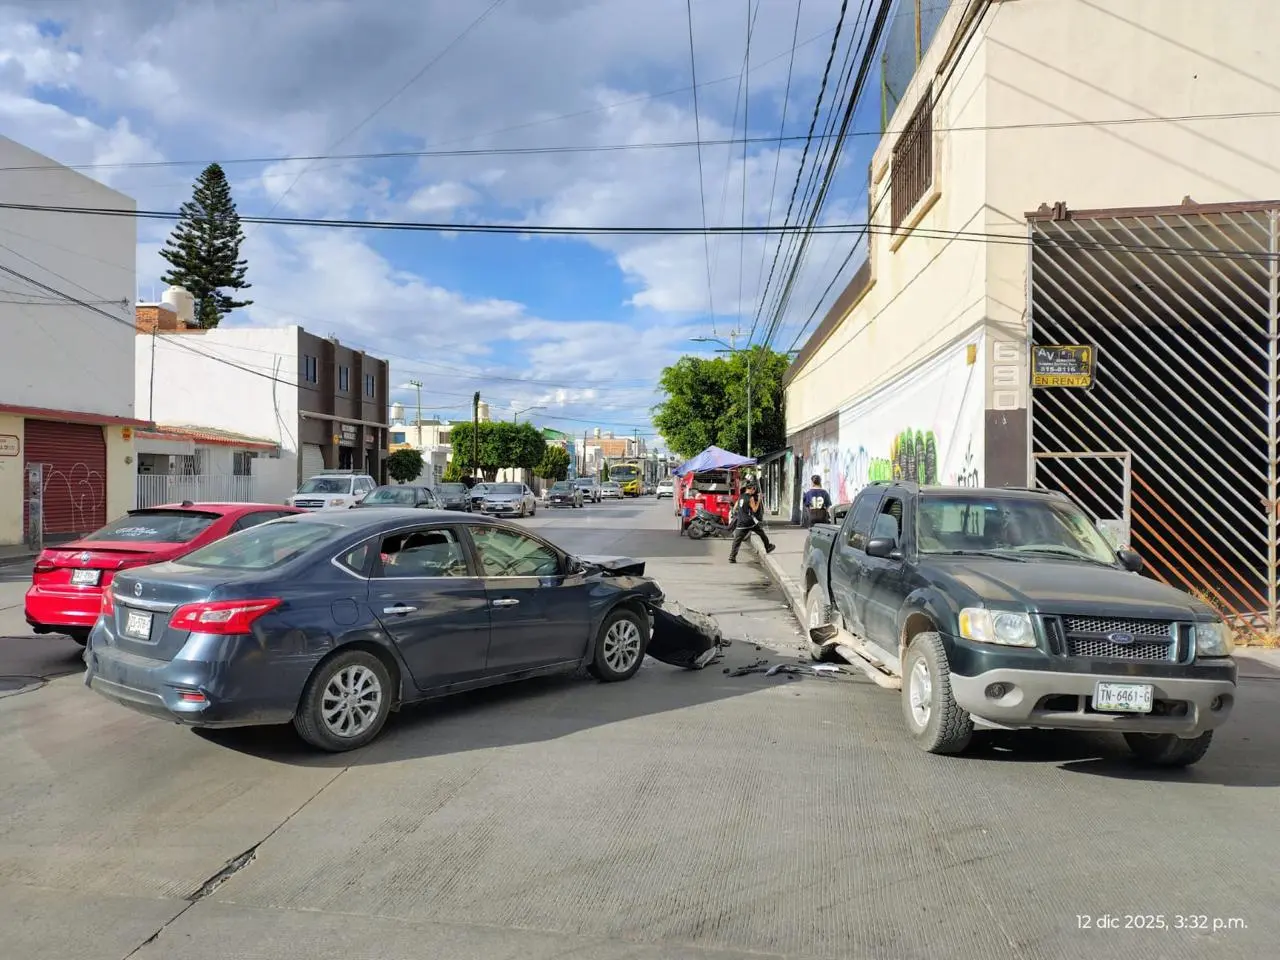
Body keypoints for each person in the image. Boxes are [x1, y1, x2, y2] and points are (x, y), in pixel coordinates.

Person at [728, 481, 775, 563]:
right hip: (749, 522)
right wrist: (759, 500)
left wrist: (740, 514)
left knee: (737, 540)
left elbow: (735, 508)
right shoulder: (751, 498)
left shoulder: (741, 496)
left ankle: (732, 557)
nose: (754, 491)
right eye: (754, 489)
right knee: (761, 533)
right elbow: (755, 509)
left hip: (741, 522)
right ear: (752, 489)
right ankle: (768, 547)